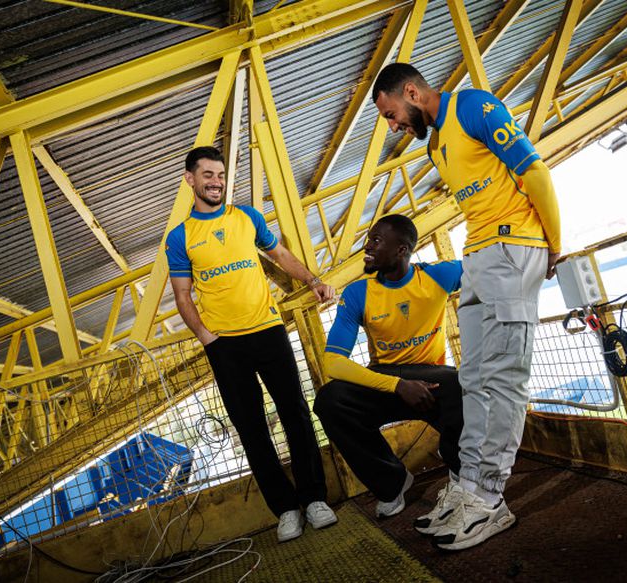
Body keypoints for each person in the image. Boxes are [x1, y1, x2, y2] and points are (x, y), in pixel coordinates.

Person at [372, 63, 562, 551]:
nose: (393, 126)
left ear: (412, 92)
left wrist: (553, 244)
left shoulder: (473, 106)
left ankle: (489, 499)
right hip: (476, 254)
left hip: (514, 245)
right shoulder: (436, 144)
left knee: (503, 380)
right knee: (474, 379)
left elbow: (534, 172)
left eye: (393, 113)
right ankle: (469, 485)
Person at [166, 146, 337, 543]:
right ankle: (286, 510)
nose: (216, 182)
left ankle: (314, 499)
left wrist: (312, 280)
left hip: (268, 330)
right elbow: (182, 296)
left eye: (221, 175)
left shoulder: (247, 217)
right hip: (225, 345)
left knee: (295, 411)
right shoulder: (180, 238)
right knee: (251, 428)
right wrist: (208, 340)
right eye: (207, 175)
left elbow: (279, 255)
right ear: (190, 180)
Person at [313, 215, 464, 532]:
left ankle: (462, 474)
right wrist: (397, 385)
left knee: (457, 382)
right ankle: (392, 483)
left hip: (432, 381)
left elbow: (492, 268)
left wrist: (545, 257)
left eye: (376, 241)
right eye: (369, 239)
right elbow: (334, 363)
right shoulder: (358, 293)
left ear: (402, 250)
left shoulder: (439, 275)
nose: (367, 247)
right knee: (329, 400)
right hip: (389, 382)